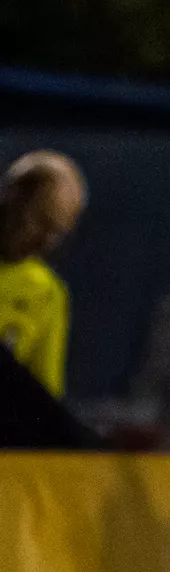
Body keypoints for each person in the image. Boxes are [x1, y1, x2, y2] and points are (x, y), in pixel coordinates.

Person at [0, 151, 86, 398]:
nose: (45, 241)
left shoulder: (46, 294)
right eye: (40, 221)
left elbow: (43, 402)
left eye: (56, 232)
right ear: (13, 196)